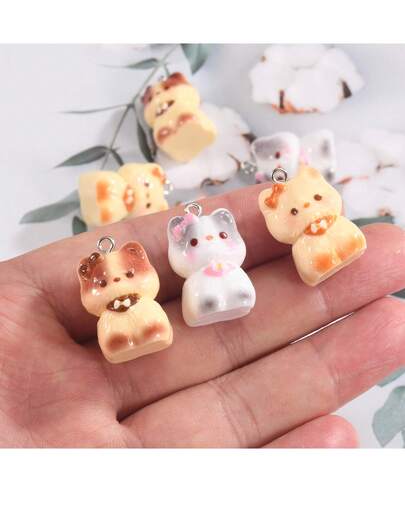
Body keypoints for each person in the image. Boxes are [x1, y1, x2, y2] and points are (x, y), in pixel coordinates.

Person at [1, 182, 404, 448]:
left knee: (225, 296)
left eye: (220, 236)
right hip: (180, 302)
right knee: (169, 314)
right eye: (196, 242)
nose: (210, 243)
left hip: (234, 285)